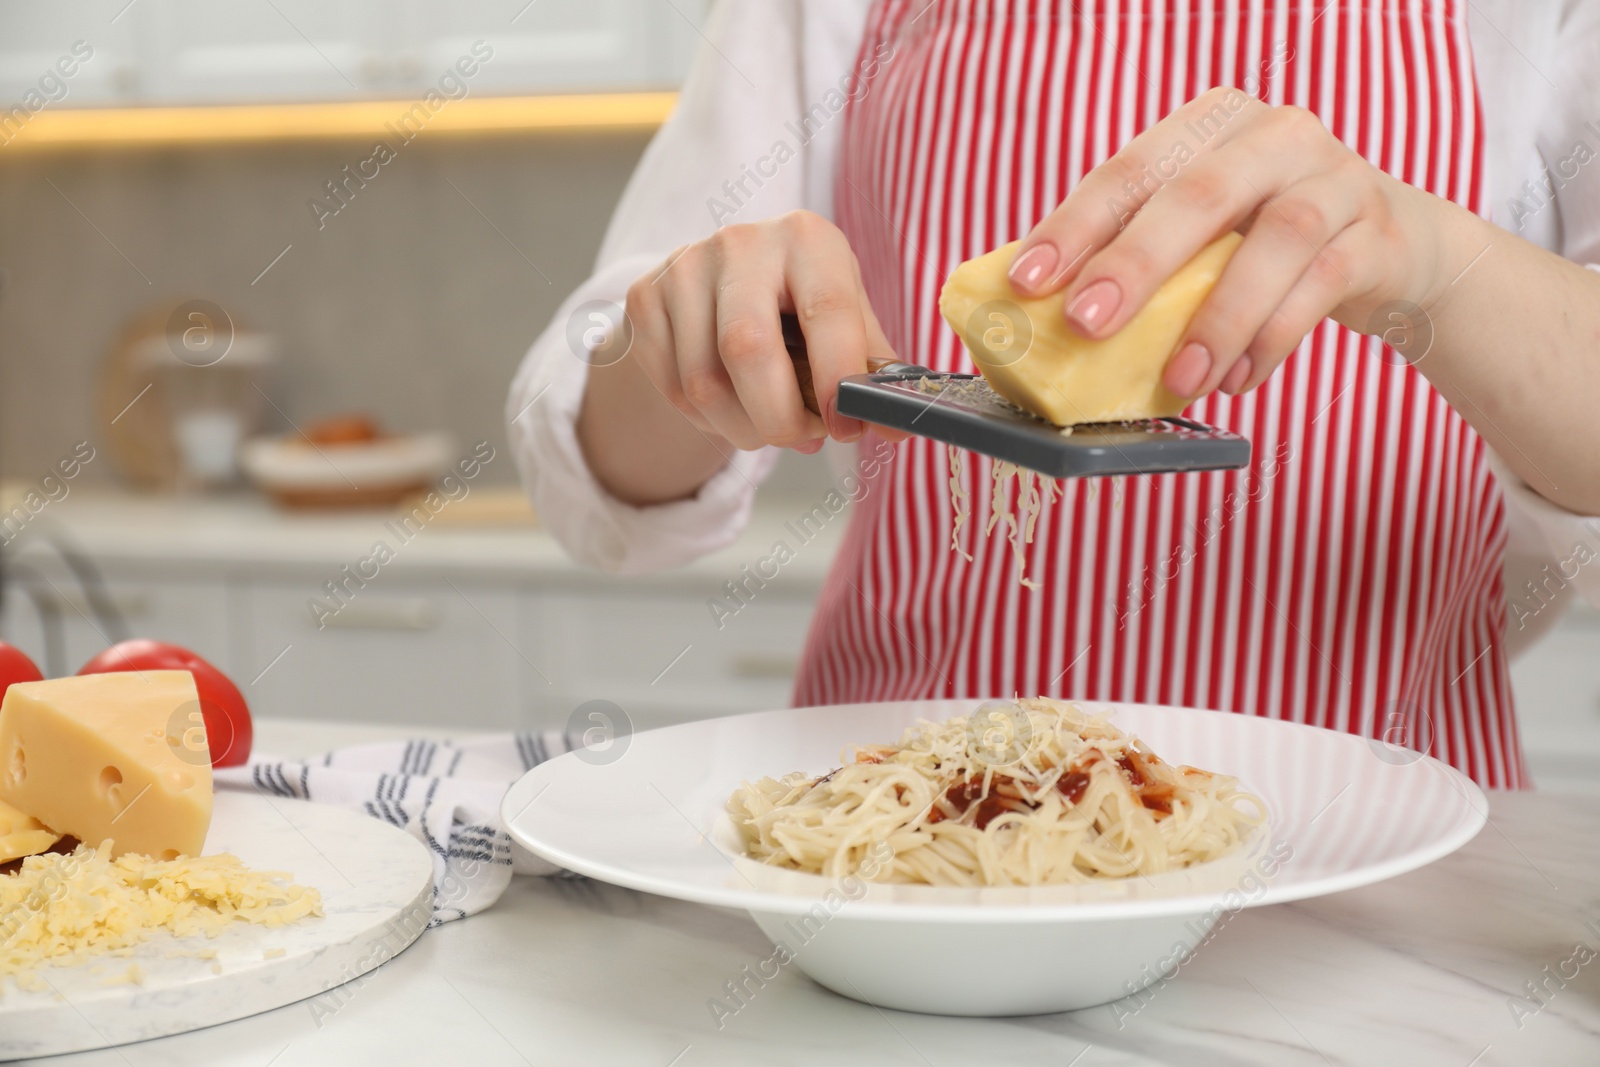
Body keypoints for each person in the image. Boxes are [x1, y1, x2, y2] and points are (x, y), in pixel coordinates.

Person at [509, 0, 1600, 789]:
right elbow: (603, 484)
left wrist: (1428, 259)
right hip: (916, 836)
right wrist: (699, 337)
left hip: (1392, 848)